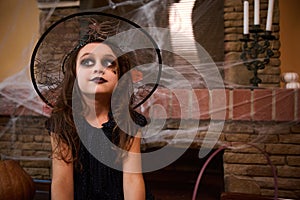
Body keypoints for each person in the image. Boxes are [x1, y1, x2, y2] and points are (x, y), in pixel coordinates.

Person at [45, 18, 154, 200]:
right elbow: (61, 182)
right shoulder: (63, 123)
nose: (98, 68)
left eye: (109, 63)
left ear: (119, 78)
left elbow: (132, 179)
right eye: (88, 62)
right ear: (74, 75)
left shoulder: (128, 123)